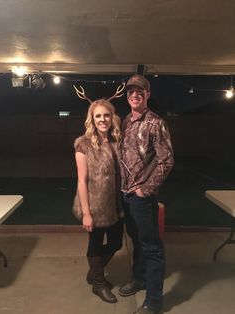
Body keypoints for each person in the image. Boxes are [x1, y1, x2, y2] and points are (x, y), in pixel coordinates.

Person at [119, 74, 174, 314]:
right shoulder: (125, 122)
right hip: (125, 195)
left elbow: (167, 160)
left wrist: (145, 189)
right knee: (137, 241)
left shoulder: (155, 123)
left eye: (140, 91)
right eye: (131, 91)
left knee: (152, 247)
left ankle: (154, 301)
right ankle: (139, 279)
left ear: (147, 94)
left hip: (141, 197)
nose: (135, 94)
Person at [73, 99, 124, 303]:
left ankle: (95, 272)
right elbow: (81, 180)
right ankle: (99, 284)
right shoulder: (83, 144)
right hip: (94, 205)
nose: (103, 119)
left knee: (116, 243)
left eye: (106, 115)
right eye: (98, 116)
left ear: (112, 117)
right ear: (92, 119)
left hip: (116, 204)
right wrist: (87, 213)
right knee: (95, 243)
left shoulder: (116, 140)